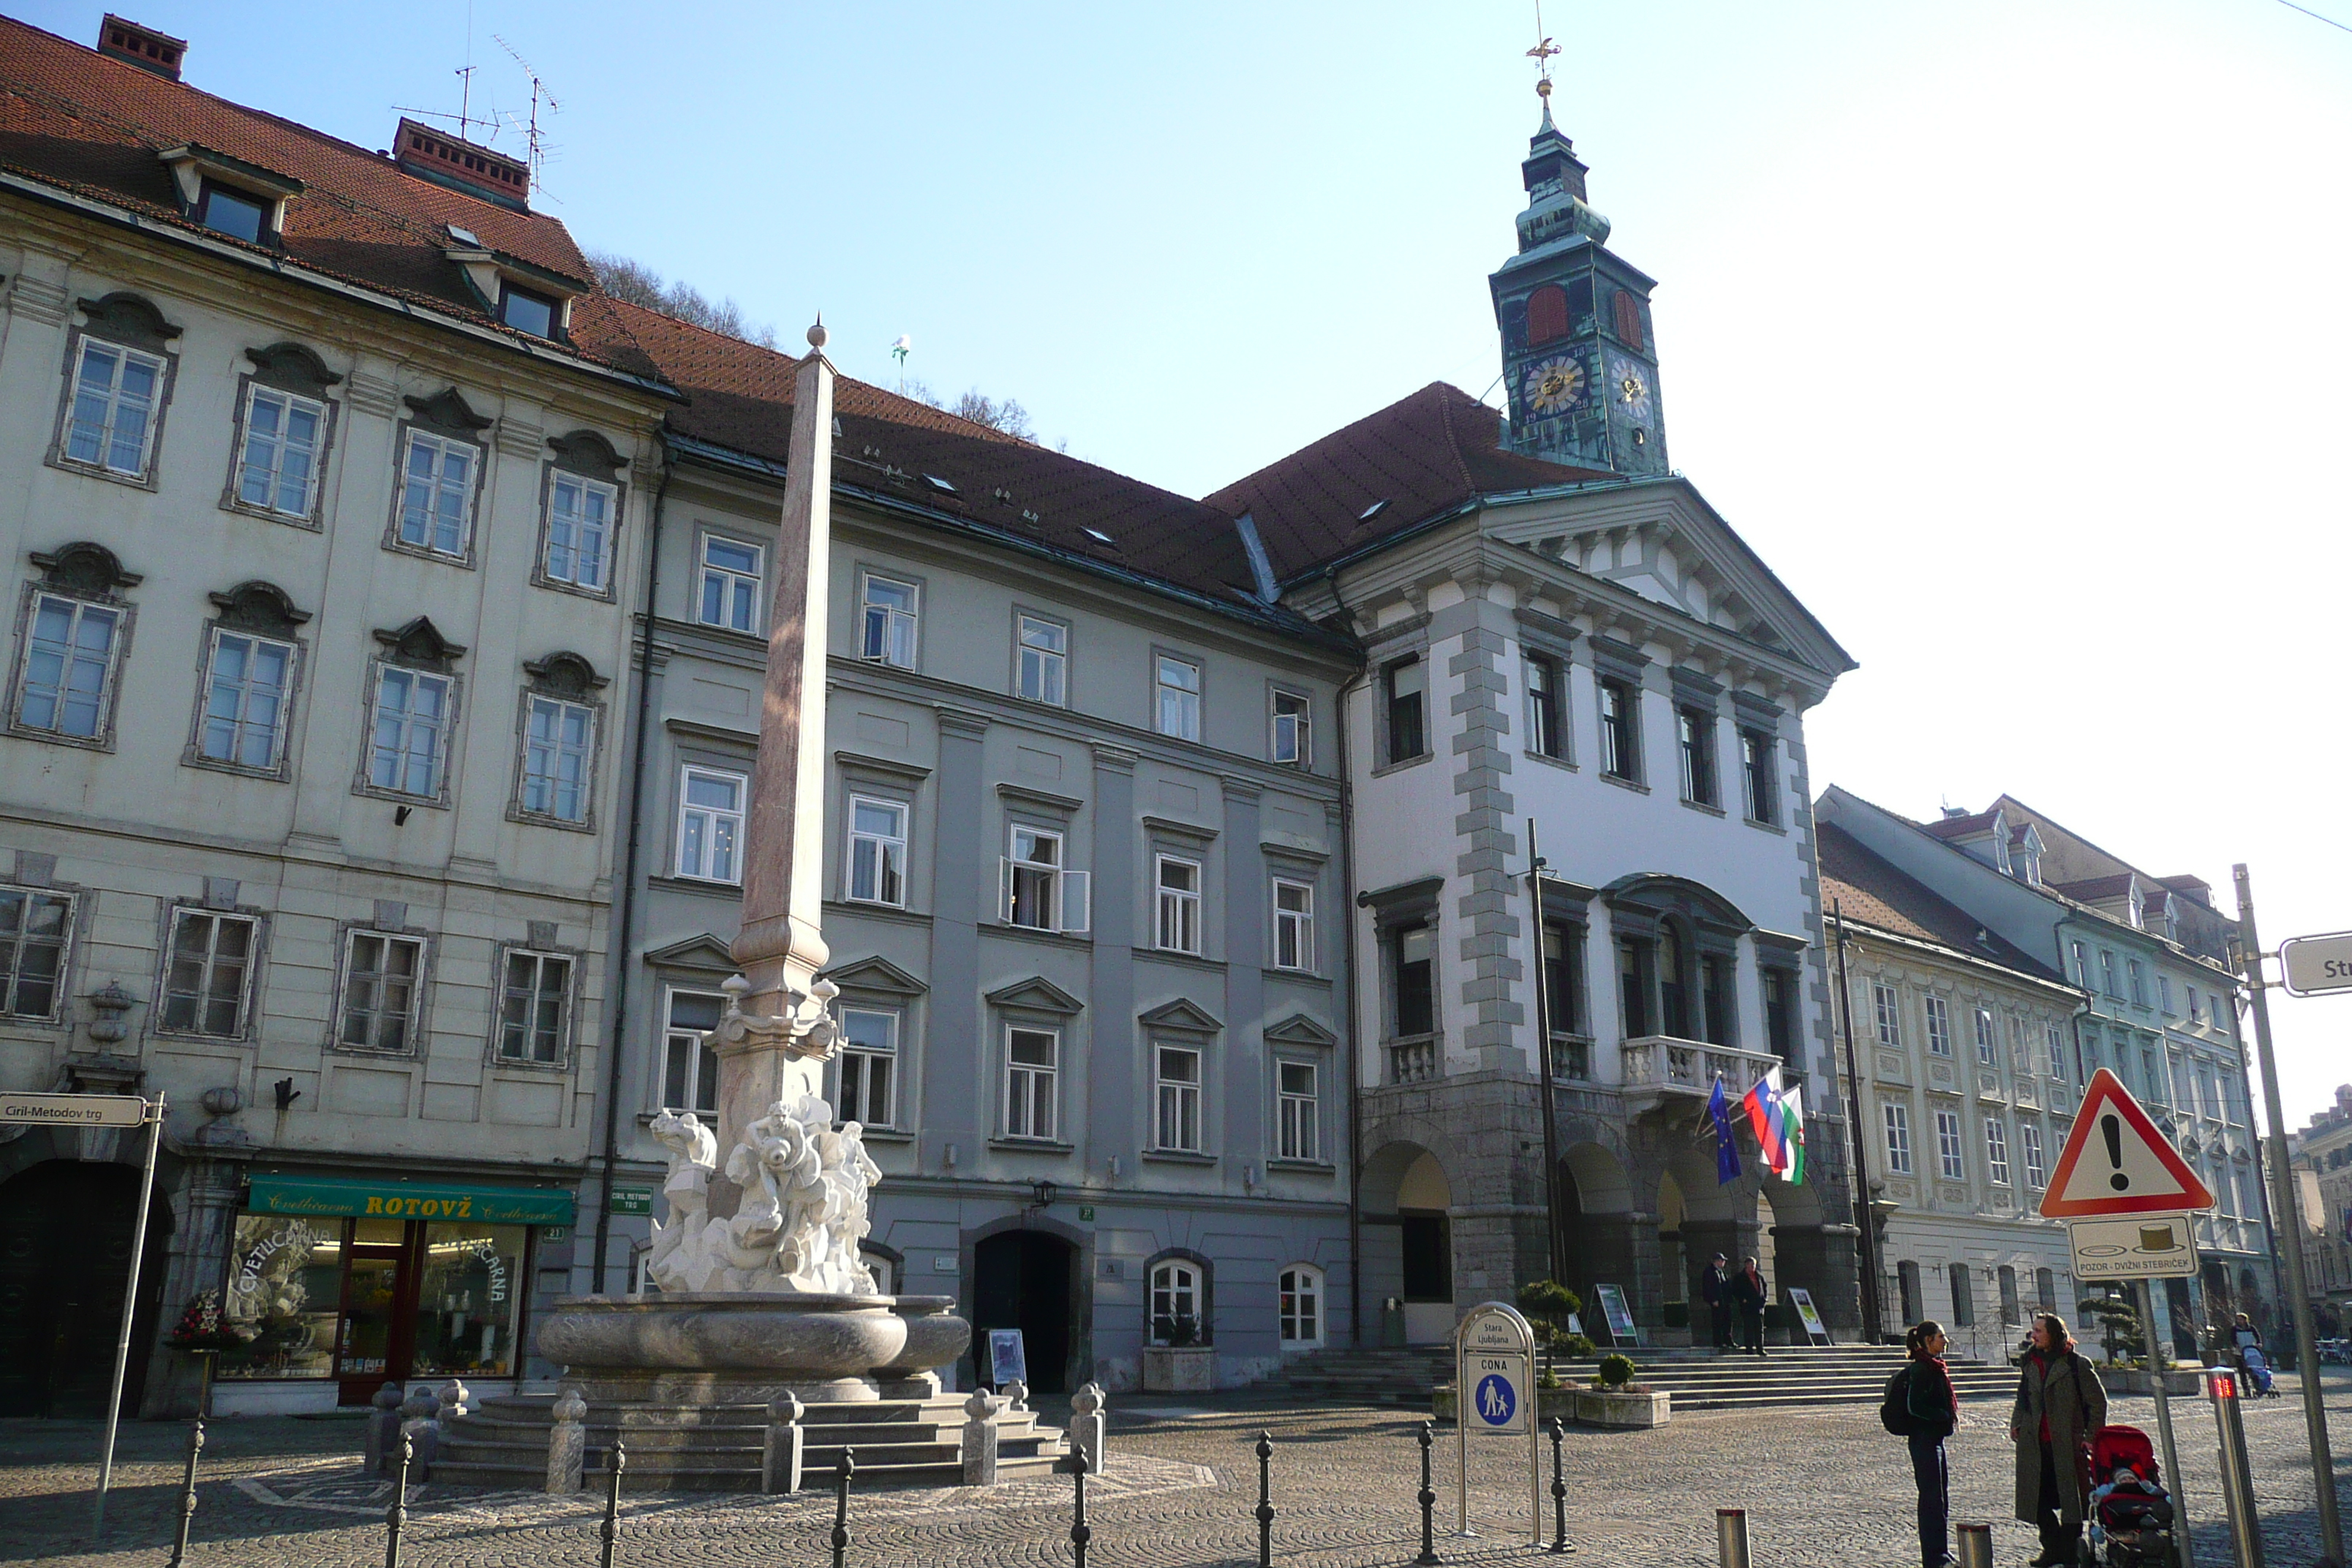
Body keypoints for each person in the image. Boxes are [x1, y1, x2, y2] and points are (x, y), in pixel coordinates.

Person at [2010, 1311, 2108, 1567]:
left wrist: (2090, 1437)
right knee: (2037, 1501)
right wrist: (2017, 1423)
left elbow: (2097, 1403)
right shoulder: (2030, 1362)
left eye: (2039, 1330)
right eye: (2033, 1330)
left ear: (2054, 1334)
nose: (2034, 1335)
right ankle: (2054, 1547)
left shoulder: (2076, 1364)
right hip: (2035, 1443)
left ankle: (2066, 1551)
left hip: (2067, 1443)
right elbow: (2023, 1398)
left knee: (2072, 1501)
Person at [1901, 1320, 1959, 1568]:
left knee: (1941, 1498)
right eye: (1940, 1336)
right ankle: (1934, 1558)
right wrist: (1942, 1415)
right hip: (1924, 1440)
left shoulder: (1934, 1366)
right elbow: (1915, 1406)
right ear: (1928, 1341)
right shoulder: (1921, 1369)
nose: (1945, 1341)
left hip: (1935, 1439)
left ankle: (1941, 1553)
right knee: (1931, 1499)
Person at [1730, 1256, 1769, 1357]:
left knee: (1759, 1329)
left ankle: (1760, 1348)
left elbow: (1764, 1288)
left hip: (1758, 1307)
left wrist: (1764, 1299)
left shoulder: (1759, 1276)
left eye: (1754, 1265)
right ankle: (1749, 1348)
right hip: (1747, 1307)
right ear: (1746, 1265)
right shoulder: (1740, 1277)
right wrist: (1742, 1299)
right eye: (1751, 1265)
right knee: (1748, 1328)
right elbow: (1735, 1290)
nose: (1752, 1267)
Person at [1701, 1254, 1733, 1350]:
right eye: (1722, 1261)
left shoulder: (1722, 1272)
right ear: (1717, 1261)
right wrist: (1713, 1300)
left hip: (1725, 1301)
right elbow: (1707, 1287)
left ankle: (1728, 1340)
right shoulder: (1709, 1272)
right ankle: (1718, 1342)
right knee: (1718, 1322)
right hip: (1717, 1301)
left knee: (1728, 1321)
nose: (1724, 1263)